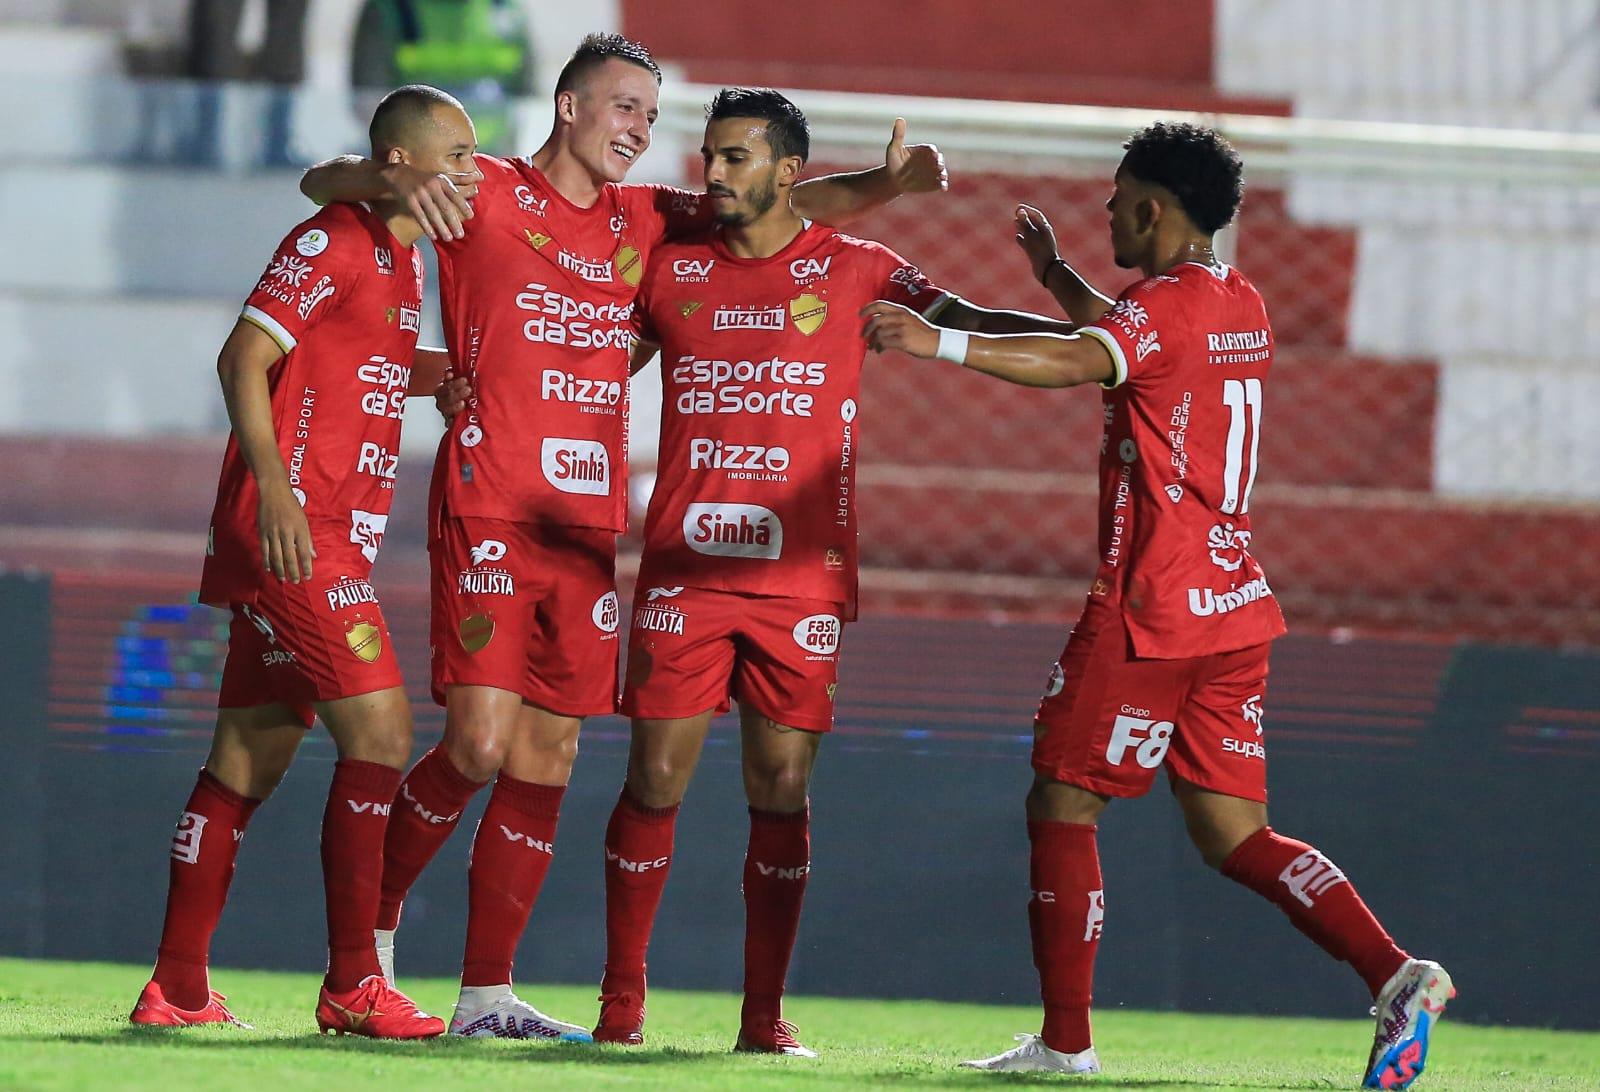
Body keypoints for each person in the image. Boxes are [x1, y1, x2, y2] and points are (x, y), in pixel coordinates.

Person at [297, 33, 947, 1041]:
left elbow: (782, 206)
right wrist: (389, 180)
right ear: (568, 108)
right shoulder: (488, 191)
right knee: (474, 746)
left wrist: (885, 184)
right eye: (625, 107)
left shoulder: (645, 222)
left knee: (548, 757)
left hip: (588, 524)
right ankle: (366, 954)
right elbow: (332, 177)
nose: (642, 130)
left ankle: (484, 996)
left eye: (650, 115)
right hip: (491, 504)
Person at [859, 121, 1453, 1090]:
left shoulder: (1161, 310)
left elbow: (1078, 362)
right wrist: (1054, 278)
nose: (1104, 214)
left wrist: (937, 341)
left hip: (1152, 605)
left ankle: (1065, 1043)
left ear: (1150, 206)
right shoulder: (1235, 302)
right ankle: (1394, 972)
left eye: (1115, 198)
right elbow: (1124, 340)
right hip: (1235, 607)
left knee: (1062, 796)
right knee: (1236, 835)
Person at [575, 86, 1092, 1056]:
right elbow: (596, 372)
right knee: (654, 780)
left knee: (779, 787)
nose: (713, 173)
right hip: (685, 568)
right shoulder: (670, 270)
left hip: (801, 580)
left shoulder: (859, 269)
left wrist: (1096, 339)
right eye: (709, 156)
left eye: (734, 158)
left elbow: (966, 314)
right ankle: (619, 1011)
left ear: (785, 172)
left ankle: (762, 1020)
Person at [130, 85, 480, 1038]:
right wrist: (278, 492)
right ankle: (355, 984)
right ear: (401, 161)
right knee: (380, 733)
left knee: (248, 754)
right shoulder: (329, 238)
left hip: (325, 532)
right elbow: (241, 358)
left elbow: (363, 356)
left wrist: (438, 372)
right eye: (454, 154)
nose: (469, 171)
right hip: (297, 527)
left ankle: (177, 988)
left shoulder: (406, 263)